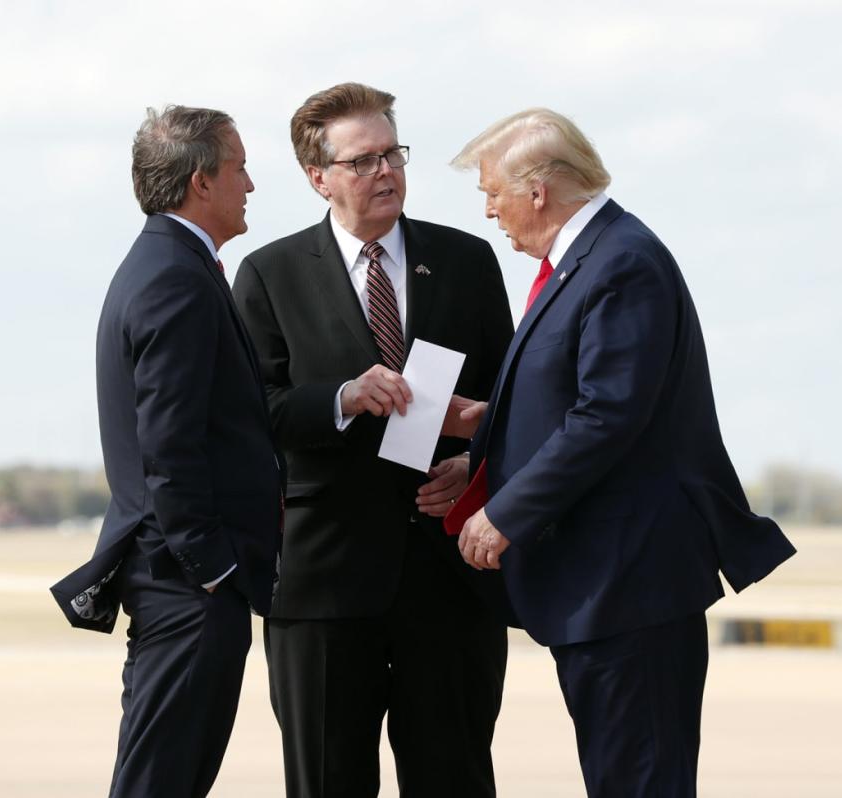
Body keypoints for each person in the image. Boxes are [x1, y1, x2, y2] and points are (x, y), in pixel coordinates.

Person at [449, 109, 796, 797]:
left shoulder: (622, 263)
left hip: (629, 586)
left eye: (492, 192)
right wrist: (487, 434)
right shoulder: (588, 260)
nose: (489, 210)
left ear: (538, 191)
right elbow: (583, 400)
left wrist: (505, 512)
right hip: (603, 588)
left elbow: (608, 416)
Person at [232, 82, 514, 798]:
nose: (385, 171)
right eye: (363, 161)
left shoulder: (468, 262)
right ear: (317, 177)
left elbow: (512, 408)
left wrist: (467, 462)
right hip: (323, 586)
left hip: (448, 584)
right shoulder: (268, 274)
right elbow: (250, 412)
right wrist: (342, 399)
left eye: (393, 153)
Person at [50, 105, 284, 798]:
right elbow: (169, 446)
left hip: (179, 579)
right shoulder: (173, 277)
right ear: (200, 183)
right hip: (187, 586)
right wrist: (212, 569)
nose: (250, 184)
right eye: (239, 167)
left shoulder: (171, 263)